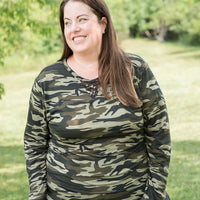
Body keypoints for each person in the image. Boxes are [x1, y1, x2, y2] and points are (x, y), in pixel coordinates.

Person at [24, 0, 171, 199]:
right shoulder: (48, 80)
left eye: (81, 19)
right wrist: (38, 196)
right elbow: (34, 144)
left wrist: (154, 194)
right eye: (67, 22)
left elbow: (159, 136)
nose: (73, 28)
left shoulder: (135, 69)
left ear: (103, 24)